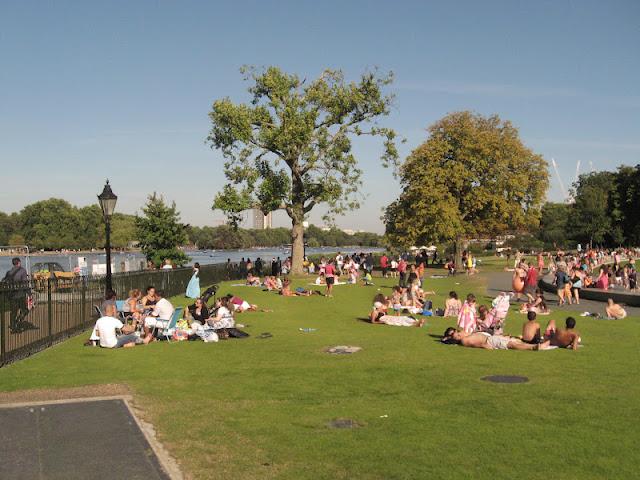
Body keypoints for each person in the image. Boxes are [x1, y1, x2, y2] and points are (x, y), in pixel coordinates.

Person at [442, 327, 545, 350]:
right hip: (489, 341)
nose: (456, 333)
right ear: (452, 337)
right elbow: (475, 344)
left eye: (455, 331)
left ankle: (535, 345)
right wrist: (485, 346)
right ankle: (533, 347)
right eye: (453, 334)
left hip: (490, 338)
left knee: (513, 341)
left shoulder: (462, 335)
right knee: (511, 345)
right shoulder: (464, 340)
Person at [2, 257, 30, 333]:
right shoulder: (22, 271)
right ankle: (17, 322)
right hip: (20, 294)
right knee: (25, 310)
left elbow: (4, 281)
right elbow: (25, 284)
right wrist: (29, 293)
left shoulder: (9, 272)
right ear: (19, 263)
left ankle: (12, 326)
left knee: (13, 312)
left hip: (12, 295)